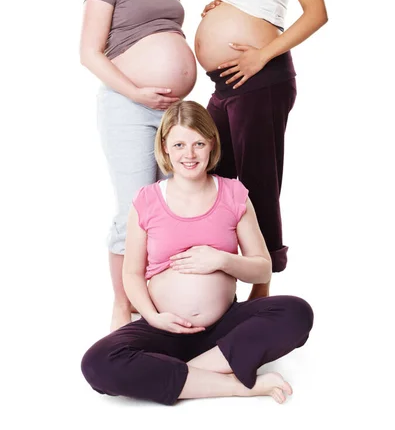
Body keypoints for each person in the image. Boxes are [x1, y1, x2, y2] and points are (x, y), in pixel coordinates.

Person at [81, 101, 313, 405]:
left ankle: (176, 376)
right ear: (164, 148)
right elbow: (132, 273)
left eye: (198, 144)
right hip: (163, 328)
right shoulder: (147, 199)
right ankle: (237, 384)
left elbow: (262, 268)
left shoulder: (234, 194)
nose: (188, 154)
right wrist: (154, 317)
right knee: (97, 362)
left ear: (212, 144)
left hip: (224, 328)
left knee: (296, 312)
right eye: (179, 144)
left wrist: (222, 260)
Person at [195, 0, 328, 299]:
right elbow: (249, 1)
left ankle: (262, 287)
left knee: (255, 182)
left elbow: (316, 12)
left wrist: (261, 56)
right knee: (220, 181)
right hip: (226, 86)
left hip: (261, 79)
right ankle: (221, 279)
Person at [80, 0, 197, 330]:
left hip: (171, 113)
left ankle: (168, 300)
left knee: (177, 205)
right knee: (135, 208)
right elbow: (89, 53)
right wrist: (136, 92)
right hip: (127, 105)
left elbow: (169, 32)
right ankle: (121, 304)